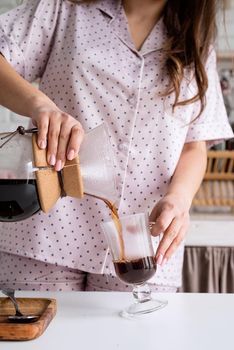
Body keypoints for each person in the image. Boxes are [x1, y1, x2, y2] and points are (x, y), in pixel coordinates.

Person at [0, 0, 233, 292]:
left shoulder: (196, 43)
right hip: (45, 231)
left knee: (135, 338)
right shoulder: (62, 9)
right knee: (36, 335)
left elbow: (194, 145)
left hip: (144, 241)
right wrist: (39, 105)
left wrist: (180, 198)